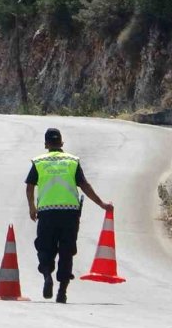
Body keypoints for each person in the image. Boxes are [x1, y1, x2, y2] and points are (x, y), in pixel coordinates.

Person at [25, 128, 113, 303]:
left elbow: (29, 186)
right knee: (67, 251)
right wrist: (101, 204)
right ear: (62, 143)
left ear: (46, 144)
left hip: (47, 213)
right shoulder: (72, 161)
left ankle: (47, 276)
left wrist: (32, 208)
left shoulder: (39, 162)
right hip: (70, 214)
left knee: (45, 248)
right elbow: (84, 185)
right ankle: (62, 291)